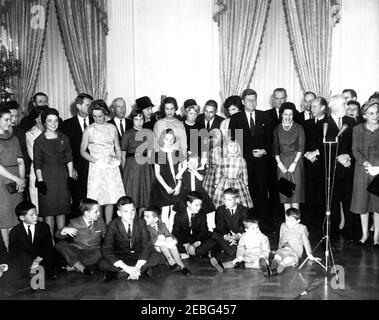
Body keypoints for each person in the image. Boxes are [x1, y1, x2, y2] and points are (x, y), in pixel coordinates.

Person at [229, 89, 271, 230]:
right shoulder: (236, 119)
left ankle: (263, 225)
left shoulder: (264, 116)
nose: (252, 103)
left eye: (254, 99)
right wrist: (249, 153)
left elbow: (270, 139)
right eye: (248, 100)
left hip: (262, 163)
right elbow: (234, 142)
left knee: (261, 193)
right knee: (246, 194)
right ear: (242, 102)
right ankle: (246, 226)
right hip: (244, 162)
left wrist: (264, 150)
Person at [80, 100, 125, 225]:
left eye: (99, 116)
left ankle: (109, 228)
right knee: (96, 200)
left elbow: (117, 147)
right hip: (96, 167)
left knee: (111, 199)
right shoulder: (89, 129)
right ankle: (99, 228)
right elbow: (82, 151)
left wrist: (118, 160)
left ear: (105, 113)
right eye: (94, 116)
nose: (97, 119)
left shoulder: (112, 128)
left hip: (111, 167)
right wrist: (97, 161)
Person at [98, 196, 164, 282]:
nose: (131, 214)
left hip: (138, 255)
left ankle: (120, 274)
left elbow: (147, 244)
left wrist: (137, 266)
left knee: (157, 256)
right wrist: (125, 266)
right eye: (126, 211)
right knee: (102, 264)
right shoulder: (113, 224)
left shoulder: (141, 222)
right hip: (121, 256)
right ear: (119, 213)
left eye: (132, 210)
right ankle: (142, 271)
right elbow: (106, 248)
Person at [34, 108, 73, 237]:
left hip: (62, 177)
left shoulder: (64, 137)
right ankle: (50, 243)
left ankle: (61, 243)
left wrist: (70, 176)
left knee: (62, 210)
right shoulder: (39, 141)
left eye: (56, 120)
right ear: (44, 122)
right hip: (47, 178)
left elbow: (69, 157)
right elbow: (37, 163)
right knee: (49, 212)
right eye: (50, 121)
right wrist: (40, 181)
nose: (53, 123)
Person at [7, 201, 63, 291]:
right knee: (14, 267)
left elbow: (48, 247)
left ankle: (36, 279)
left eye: (36, 213)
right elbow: (14, 252)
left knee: (50, 258)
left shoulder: (44, 227)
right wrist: (29, 262)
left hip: (41, 257)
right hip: (25, 260)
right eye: (31, 215)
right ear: (22, 218)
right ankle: (32, 279)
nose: (35, 216)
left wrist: (37, 260)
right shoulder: (15, 231)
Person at [324, 95, 356, 238]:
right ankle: (333, 232)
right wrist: (339, 157)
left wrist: (348, 155)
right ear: (335, 106)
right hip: (332, 169)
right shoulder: (324, 123)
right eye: (344, 104)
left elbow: (355, 143)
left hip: (348, 167)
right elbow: (322, 146)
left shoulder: (351, 122)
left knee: (349, 199)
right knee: (333, 201)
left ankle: (351, 231)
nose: (346, 107)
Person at [259, 208, 320, 277]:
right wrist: (279, 249)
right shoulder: (283, 225)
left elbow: (306, 242)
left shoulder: (302, 228)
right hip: (284, 248)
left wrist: (309, 254)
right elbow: (281, 238)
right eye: (287, 219)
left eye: (291, 220)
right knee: (278, 256)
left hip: (295, 251)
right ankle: (273, 264)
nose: (288, 222)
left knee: (287, 261)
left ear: (298, 221)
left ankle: (274, 271)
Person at [60, 93, 94, 218]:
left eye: (91, 105)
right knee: (78, 200)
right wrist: (71, 167)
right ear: (79, 106)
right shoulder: (66, 125)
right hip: (77, 169)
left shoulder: (97, 121)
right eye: (87, 105)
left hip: (94, 167)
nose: (90, 107)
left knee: (94, 200)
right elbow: (64, 149)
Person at [351, 101, 379, 247]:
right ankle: (365, 234)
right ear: (364, 115)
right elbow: (355, 150)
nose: (375, 116)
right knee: (363, 202)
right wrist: (366, 163)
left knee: (377, 204)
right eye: (372, 113)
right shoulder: (357, 129)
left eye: (377, 112)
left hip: (378, 170)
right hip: (362, 169)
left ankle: (377, 237)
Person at [55, 198, 106, 275]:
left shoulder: (100, 221)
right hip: (78, 251)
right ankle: (82, 268)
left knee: (103, 250)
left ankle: (77, 266)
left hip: (93, 252)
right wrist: (64, 230)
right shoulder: (74, 222)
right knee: (60, 244)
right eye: (96, 212)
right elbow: (58, 236)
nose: (99, 213)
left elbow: (107, 235)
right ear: (86, 213)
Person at [0, 108, 26, 250]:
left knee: (15, 218)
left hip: (16, 181)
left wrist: (21, 180)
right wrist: (16, 179)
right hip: (2, 181)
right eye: (6, 119)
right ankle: (6, 252)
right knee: (4, 219)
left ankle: (15, 252)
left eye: (11, 119)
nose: (11, 122)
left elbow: (20, 160)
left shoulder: (14, 138)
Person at [121, 109, 154, 215]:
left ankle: (142, 220)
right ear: (132, 120)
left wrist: (149, 170)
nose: (139, 122)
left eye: (141, 119)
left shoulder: (149, 133)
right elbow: (123, 156)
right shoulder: (127, 134)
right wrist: (124, 171)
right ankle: (131, 220)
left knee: (145, 195)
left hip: (145, 167)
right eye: (136, 119)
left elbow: (150, 154)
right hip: (131, 166)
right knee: (132, 194)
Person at [150, 129, 184, 231]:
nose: (169, 142)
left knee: (174, 210)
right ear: (162, 140)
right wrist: (166, 187)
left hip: (176, 185)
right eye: (167, 139)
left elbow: (181, 171)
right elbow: (157, 173)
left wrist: (178, 186)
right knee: (165, 210)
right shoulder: (159, 154)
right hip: (163, 186)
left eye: (171, 139)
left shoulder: (177, 153)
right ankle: (165, 232)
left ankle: (171, 231)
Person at [274, 102, 305, 212]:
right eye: (285, 114)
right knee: (285, 196)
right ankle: (288, 223)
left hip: (295, 162)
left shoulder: (298, 127)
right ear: (281, 114)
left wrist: (294, 163)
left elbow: (301, 147)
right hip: (282, 163)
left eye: (290, 114)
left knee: (295, 195)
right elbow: (275, 148)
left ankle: (296, 223)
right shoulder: (277, 129)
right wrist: (279, 164)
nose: (288, 117)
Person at [302, 97, 328, 230]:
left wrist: (316, 153)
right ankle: (308, 220)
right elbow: (302, 142)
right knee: (308, 192)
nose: (311, 109)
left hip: (322, 164)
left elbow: (329, 144)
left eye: (314, 106)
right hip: (308, 163)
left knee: (320, 194)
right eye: (311, 106)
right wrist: (307, 154)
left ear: (323, 108)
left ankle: (319, 222)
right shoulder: (307, 124)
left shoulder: (329, 123)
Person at [209, 188, 248, 272]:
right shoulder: (220, 209)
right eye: (225, 200)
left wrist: (237, 236)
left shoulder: (244, 210)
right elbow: (220, 226)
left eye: (229, 200)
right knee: (215, 235)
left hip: (238, 237)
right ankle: (218, 254)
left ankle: (217, 257)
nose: (226, 202)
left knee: (232, 252)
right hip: (225, 236)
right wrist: (226, 236)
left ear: (236, 199)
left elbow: (243, 227)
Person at [143, 207, 191, 275]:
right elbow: (152, 240)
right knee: (161, 238)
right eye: (144, 216)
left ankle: (181, 266)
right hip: (153, 253)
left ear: (155, 219)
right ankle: (172, 262)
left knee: (169, 238)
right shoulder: (144, 227)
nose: (144, 218)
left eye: (147, 216)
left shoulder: (162, 225)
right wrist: (166, 243)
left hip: (164, 251)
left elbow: (171, 235)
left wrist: (172, 241)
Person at [172, 192, 217, 259]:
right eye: (196, 205)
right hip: (184, 241)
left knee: (213, 240)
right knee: (173, 243)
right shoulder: (179, 215)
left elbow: (203, 231)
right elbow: (176, 233)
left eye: (200, 205)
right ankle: (196, 253)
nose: (199, 207)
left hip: (197, 239)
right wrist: (187, 245)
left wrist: (195, 244)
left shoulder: (202, 214)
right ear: (188, 204)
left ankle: (191, 253)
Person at [213, 139, 253, 209]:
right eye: (231, 146)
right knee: (224, 202)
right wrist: (216, 183)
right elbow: (218, 172)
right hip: (224, 184)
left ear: (238, 147)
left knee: (238, 202)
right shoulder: (222, 159)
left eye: (235, 146)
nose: (233, 148)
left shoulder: (241, 160)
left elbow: (245, 174)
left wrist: (246, 185)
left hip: (238, 184)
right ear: (226, 147)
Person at [26, 107, 45, 213]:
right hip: (38, 168)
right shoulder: (30, 134)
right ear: (37, 119)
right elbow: (33, 155)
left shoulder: (51, 131)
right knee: (37, 203)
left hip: (52, 170)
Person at [203, 129, 223, 201]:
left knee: (210, 194)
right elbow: (216, 163)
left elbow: (215, 163)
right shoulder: (216, 149)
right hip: (213, 173)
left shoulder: (215, 149)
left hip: (212, 173)